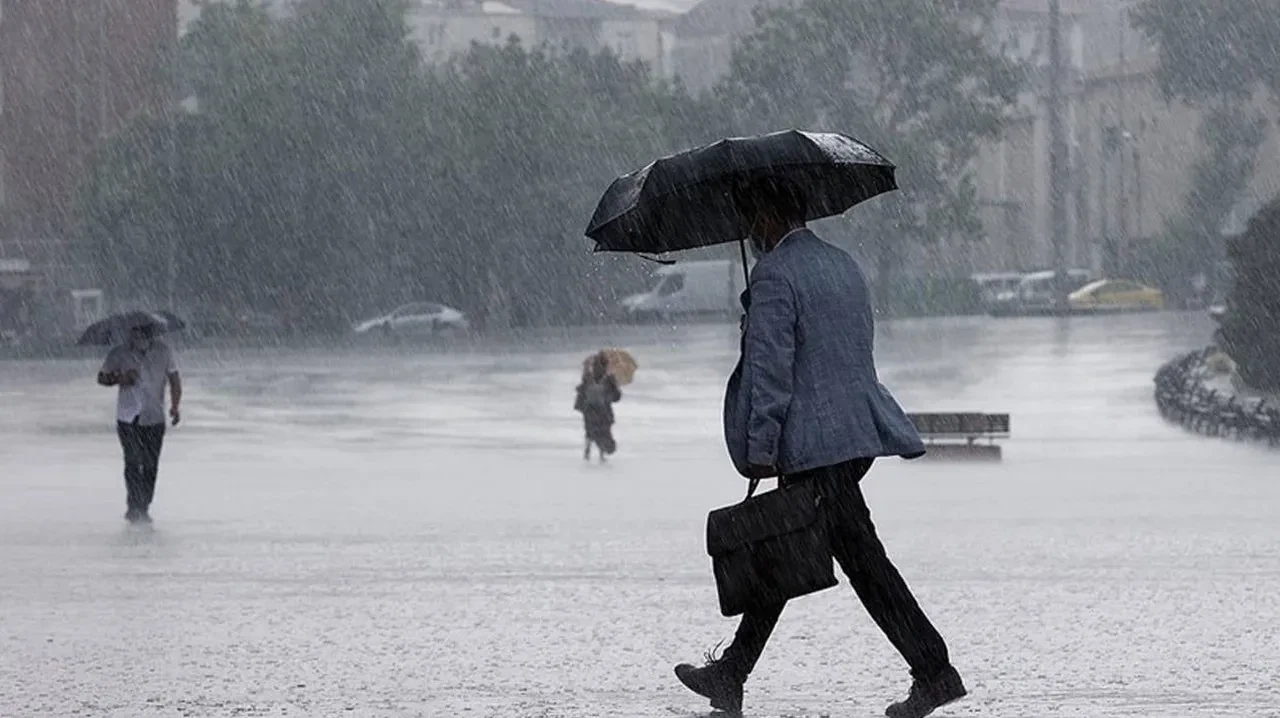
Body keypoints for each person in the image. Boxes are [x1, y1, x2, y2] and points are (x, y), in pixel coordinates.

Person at [673, 178, 965, 718]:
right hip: (852, 436)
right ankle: (732, 673)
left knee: (851, 560)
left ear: (768, 213)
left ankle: (934, 671)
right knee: (790, 549)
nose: (748, 231)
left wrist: (760, 447)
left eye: (750, 218)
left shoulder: (775, 276)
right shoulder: (843, 264)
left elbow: (772, 373)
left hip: (812, 446)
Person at [97, 323, 182, 524]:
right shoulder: (118, 353)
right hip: (128, 416)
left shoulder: (163, 351)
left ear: (150, 333)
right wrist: (120, 377)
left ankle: (144, 504)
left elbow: (174, 379)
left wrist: (175, 406)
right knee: (133, 461)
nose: (137, 337)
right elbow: (102, 378)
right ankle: (134, 505)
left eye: (142, 333)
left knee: (151, 464)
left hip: (154, 416)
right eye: (134, 332)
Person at [574, 352, 621, 462]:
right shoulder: (609, 378)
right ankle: (601, 454)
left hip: (590, 410)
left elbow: (582, 390)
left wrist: (585, 367)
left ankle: (588, 451)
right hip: (603, 411)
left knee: (590, 431)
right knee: (604, 431)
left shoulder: (589, 376)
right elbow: (616, 397)